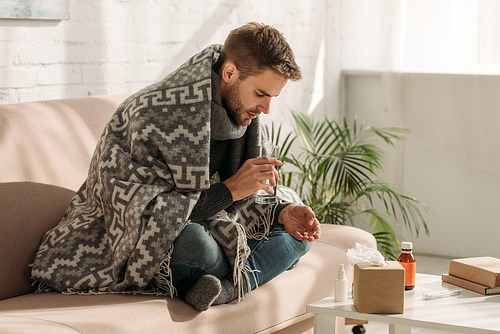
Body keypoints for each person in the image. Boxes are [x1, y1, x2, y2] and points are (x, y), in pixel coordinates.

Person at [31, 22, 321, 312]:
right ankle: (237, 274)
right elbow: (138, 217)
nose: (266, 109)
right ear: (230, 73)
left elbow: (254, 199)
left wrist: (281, 211)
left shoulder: (245, 117)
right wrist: (229, 191)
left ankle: (226, 289)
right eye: (261, 94)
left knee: (297, 235)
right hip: (137, 239)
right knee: (197, 247)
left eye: (273, 97)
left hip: (215, 226)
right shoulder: (149, 114)